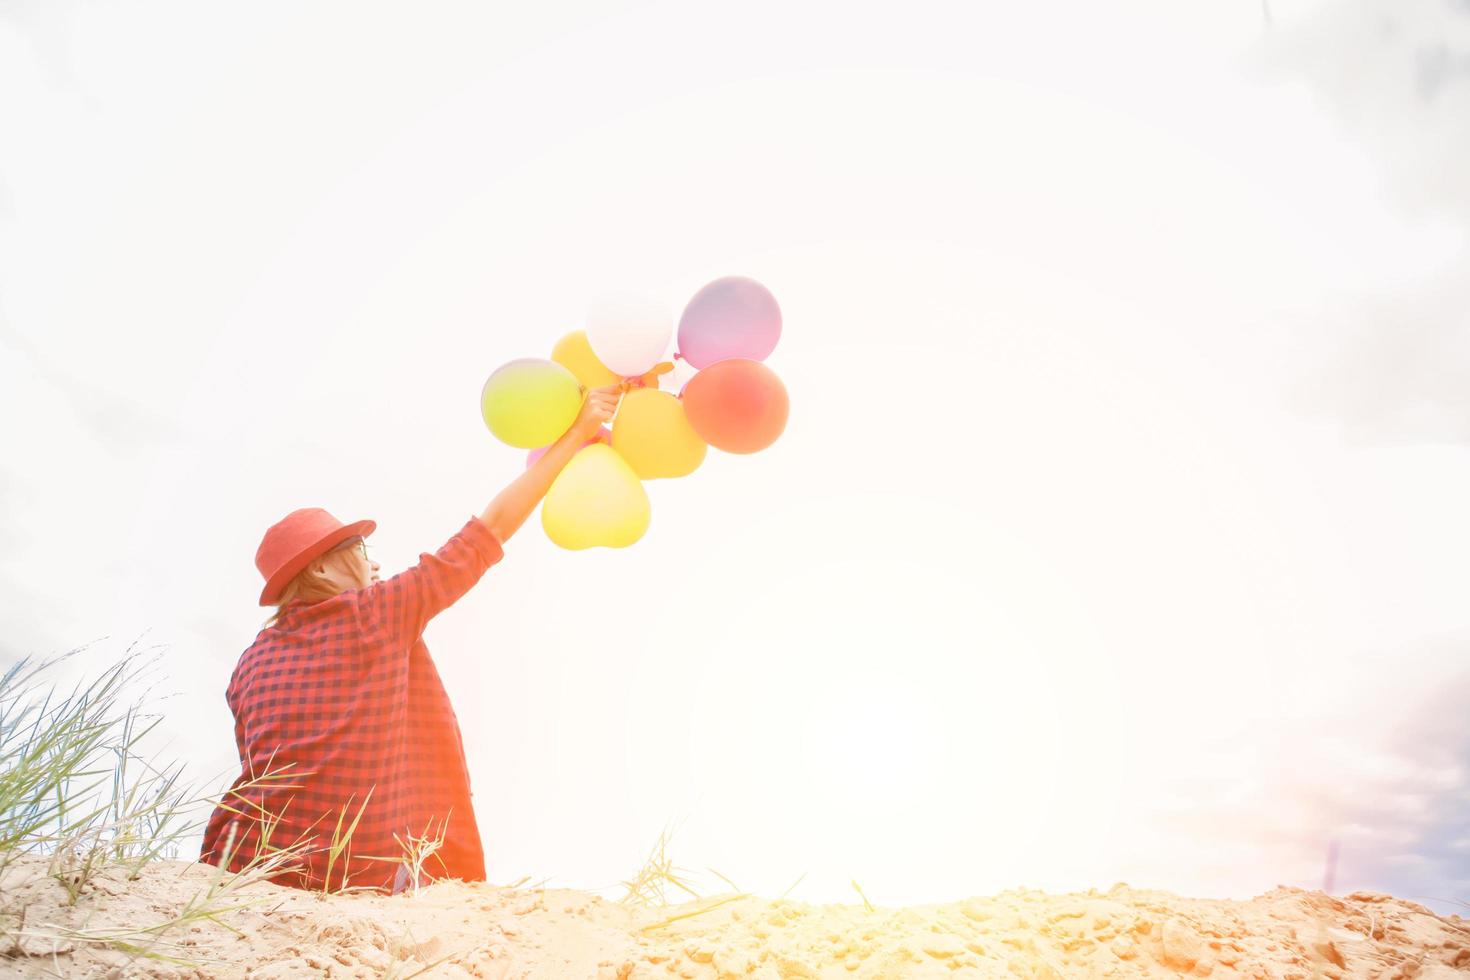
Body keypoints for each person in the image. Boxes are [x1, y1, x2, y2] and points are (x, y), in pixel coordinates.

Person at [199, 385, 623, 893]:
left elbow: (267, 762)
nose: (373, 561)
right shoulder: (375, 614)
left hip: (241, 862)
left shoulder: (249, 662)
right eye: (359, 548)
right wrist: (577, 434)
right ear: (319, 567)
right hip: (353, 872)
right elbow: (487, 533)